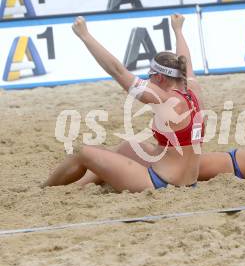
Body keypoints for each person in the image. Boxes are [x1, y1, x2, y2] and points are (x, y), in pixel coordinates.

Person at [43, 14, 205, 192]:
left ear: (159, 77)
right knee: (128, 148)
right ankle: (79, 185)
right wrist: (178, 31)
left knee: (84, 153)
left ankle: (44, 189)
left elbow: (117, 70)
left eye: (150, 77)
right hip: (189, 181)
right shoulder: (193, 88)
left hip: (161, 183)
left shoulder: (165, 99)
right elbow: (185, 62)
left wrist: (85, 36)